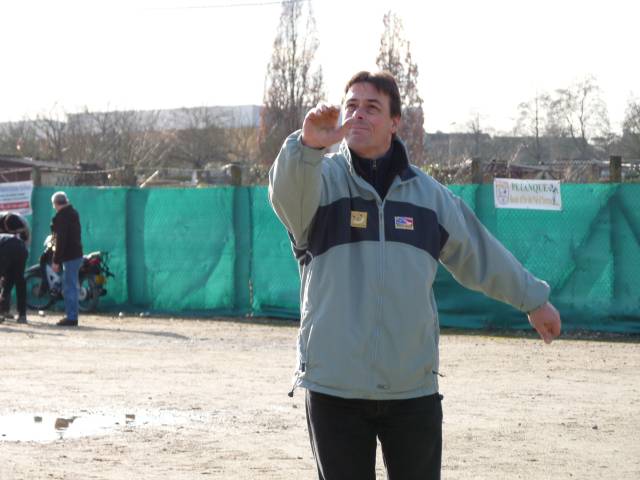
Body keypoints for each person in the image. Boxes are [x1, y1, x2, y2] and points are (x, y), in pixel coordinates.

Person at [268, 71, 561, 480]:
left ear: (395, 122)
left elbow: (481, 253)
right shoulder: (318, 184)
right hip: (334, 387)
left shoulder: (429, 197)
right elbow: (285, 196)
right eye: (351, 106)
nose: (358, 114)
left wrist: (534, 299)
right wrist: (306, 146)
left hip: (412, 389)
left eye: (372, 107)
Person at [50, 191, 83, 327]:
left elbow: (60, 240)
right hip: (76, 254)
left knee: (70, 287)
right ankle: (72, 315)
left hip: (70, 256)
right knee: (71, 286)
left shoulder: (62, 217)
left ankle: (72, 317)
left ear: (55, 204)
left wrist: (56, 260)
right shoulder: (73, 213)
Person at [0, 212, 30, 323]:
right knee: (18, 281)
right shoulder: (21, 227)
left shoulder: (19, 224)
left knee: (6, 282)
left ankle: (2, 312)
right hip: (21, 249)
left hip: (7, 249)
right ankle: (22, 315)